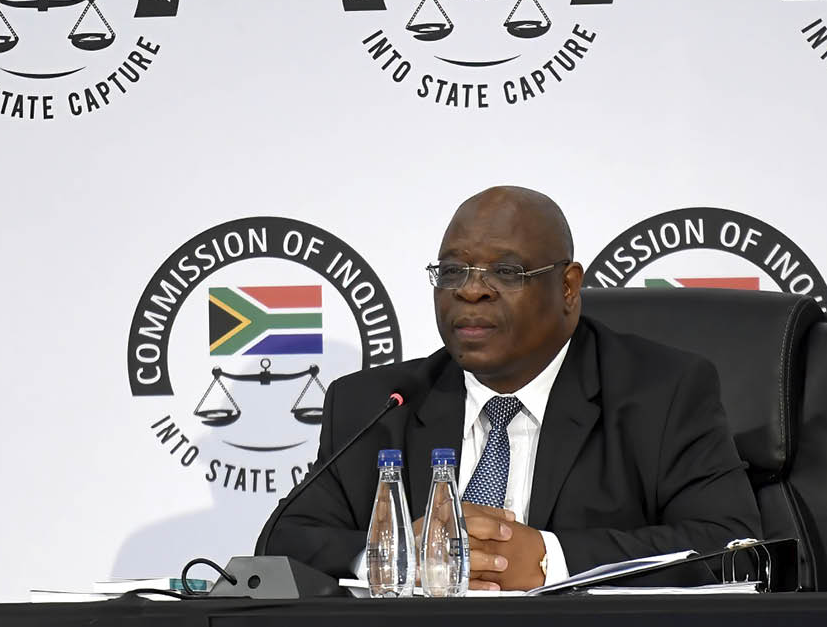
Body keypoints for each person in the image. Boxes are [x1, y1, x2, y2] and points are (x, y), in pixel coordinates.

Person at [257, 186, 760, 591]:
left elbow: (733, 546)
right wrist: (396, 558)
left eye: (506, 271)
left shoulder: (662, 393)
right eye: (452, 270)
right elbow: (280, 545)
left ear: (567, 287)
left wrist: (549, 559)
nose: (471, 289)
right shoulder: (377, 404)